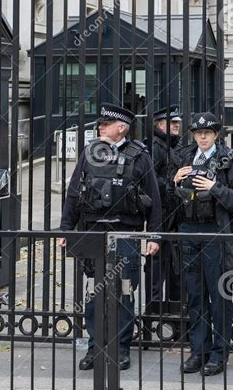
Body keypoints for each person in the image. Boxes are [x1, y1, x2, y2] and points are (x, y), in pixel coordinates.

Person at [58, 103, 161, 371]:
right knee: (94, 292)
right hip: (93, 231)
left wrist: (154, 236)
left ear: (122, 128)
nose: (100, 128)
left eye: (105, 124)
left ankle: (121, 346)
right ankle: (95, 346)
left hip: (124, 233)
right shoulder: (90, 153)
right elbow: (73, 191)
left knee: (124, 291)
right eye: (100, 124)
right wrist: (66, 229)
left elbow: (155, 200)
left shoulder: (139, 156)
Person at [171, 112, 233, 376]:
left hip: (215, 233)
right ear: (193, 135)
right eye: (198, 133)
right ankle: (199, 351)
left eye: (207, 133)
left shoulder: (226, 160)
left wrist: (215, 186)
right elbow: (170, 198)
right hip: (188, 232)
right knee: (195, 296)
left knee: (218, 297)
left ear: (216, 134)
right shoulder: (184, 157)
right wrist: (174, 182)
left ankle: (219, 352)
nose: (203, 137)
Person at [144, 105, 182, 312]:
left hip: (175, 213)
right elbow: (148, 181)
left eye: (178, 122)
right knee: (157, 265)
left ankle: (175, 314)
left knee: (176, 266)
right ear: (159, 125)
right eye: (172, 122)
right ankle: (153, 314)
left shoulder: (174, 145)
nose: (177, 125)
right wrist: (173, 182)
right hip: (161, 213)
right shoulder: (155, 146)